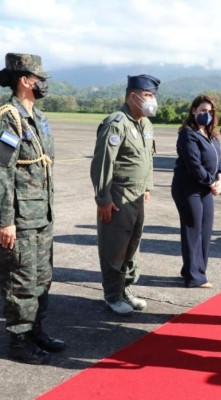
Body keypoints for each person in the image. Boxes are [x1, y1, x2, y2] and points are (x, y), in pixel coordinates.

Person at [0, 53, 65, 364]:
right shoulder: (8, 117)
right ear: (25, 80)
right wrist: (5, 221)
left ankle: (38, 331)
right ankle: (19, 342)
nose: (43, 85)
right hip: (21, 219)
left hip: (42, 215)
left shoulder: (37, 117)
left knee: (42, 278)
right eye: (39, 79)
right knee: (20, 281)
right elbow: (2, 171)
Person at [90, 74, 160, 315]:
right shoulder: (116, 123)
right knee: (115, 246)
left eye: (154, 96)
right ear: (133, 96)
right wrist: (103, 199)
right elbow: (102, 164)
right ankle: (112, 294)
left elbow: (147, 159)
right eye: (148, 95)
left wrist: (147, 186)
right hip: (118, 196)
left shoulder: (145, 125)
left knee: (133, 245)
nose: (153, 100)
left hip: (137, 197)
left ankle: (125, 289)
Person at [171, 95, 221, 288]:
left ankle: (194, 269)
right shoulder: (188, 133)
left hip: (206, 188)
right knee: (193, 230)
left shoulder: (210, 134)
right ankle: (195, 277)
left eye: (210, 112)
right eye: (202, 111)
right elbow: (194, 165)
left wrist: (220, 177)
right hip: (188, 188)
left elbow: (219, 160)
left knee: (205, 231)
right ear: (194, 111)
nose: (206, 115)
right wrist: (212, 182)